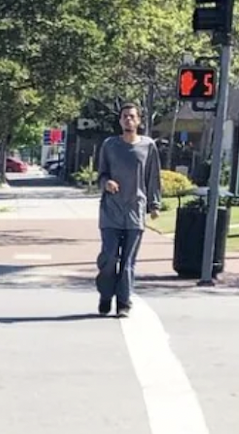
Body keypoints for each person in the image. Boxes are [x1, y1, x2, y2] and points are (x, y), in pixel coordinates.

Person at [95, 101, 162, 317]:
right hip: (111, 212)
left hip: (135, 211)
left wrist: (154, 204)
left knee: (127, 262)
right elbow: (101, 174)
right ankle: (106, 295)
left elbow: (153, 177)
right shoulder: (110, 145)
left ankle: (123, 302)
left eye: (132, 116)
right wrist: (106, 183)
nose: (128, 119)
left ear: (139, 120)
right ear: (120, 120)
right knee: (109, 258)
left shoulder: (148, 146)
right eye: (125, 116)